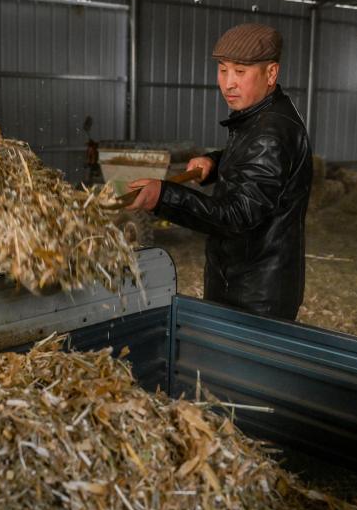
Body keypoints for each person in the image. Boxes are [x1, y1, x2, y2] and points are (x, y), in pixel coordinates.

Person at [126, 23, 312, 320]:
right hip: (246, 279)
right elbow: (251, 161)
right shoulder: (263, 117)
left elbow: (237, 216)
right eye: (223, 70)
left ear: (271, 73)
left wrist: (165, 197)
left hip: (254, 295)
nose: (228, 83)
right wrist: (213, 162)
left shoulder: (271, 133)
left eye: (240, 71)